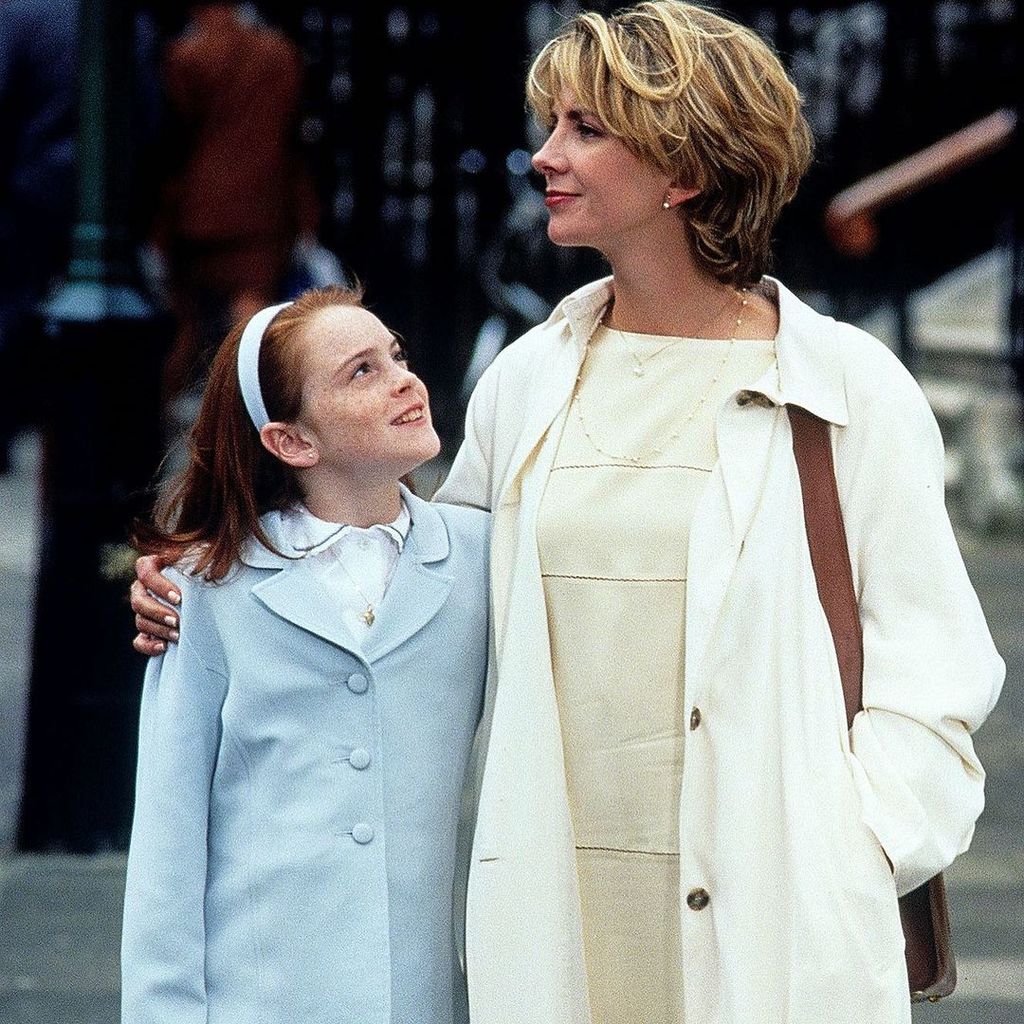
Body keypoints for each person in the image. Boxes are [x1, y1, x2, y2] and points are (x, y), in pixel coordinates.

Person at [132, 4, 1005, 1023]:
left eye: (585, 129)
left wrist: (857, 850)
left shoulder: (846, 388)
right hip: (563, 930)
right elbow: (415, 586)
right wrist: (217, 574)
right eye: (552, 125)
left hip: (777, 930)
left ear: (684, 169)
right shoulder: (529, 380)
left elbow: (935, 674)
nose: (545, 154)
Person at [121, 285, 488, 1024]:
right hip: (254, 997)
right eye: (362, 371)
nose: (405, 380)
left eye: (397, 355)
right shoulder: (207, 590)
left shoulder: (481, 558)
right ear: (292, 442)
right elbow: (168, 834)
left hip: (419, 998)